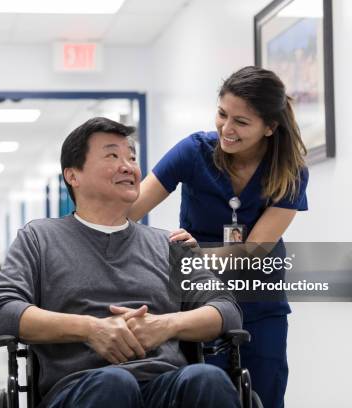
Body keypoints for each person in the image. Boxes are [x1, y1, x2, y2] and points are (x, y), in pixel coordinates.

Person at [0, 117, 243, 408]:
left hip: (164, 385)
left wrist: (167, 325)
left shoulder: (169, 244)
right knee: (115, 384)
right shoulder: (40, 239)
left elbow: (226, 309)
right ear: (73, 176)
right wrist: (90, 329)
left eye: (131, 157)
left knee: (207, 379)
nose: (128, 166)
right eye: (112, 155)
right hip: (81, 389)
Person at [129, 66, 309, 408]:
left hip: (259, 298)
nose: (227, 129)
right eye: (222, 114)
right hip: (199, 297)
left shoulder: (290, 172)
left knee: (265, 392)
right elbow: (131, 211)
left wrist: (196, 254)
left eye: (241, 122)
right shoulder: (193, 152)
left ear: (269, 127)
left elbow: (255, 251)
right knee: (203, 390)